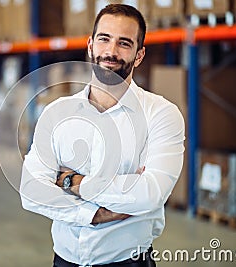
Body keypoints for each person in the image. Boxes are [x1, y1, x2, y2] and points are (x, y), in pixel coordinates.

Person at [20, 4, 185, 267]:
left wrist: (70, 181)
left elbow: (151, 193)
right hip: (64, 260)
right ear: (90, 45)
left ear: (139, 55)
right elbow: (30, 191)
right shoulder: (57, 113)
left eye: (124, 43)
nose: (111, 52)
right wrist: (95, 214)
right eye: (104, 39)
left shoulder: (161, 115)